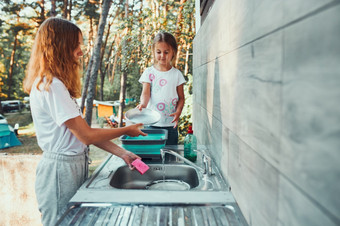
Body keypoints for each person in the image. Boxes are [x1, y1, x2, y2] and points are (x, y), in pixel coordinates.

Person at [23, 17, 146, 225]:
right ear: (60, 47)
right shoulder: (51, 85)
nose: (81, 51)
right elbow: (86, 135)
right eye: (76, 45)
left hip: (68, 167)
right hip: (59, 172)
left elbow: (81, 133)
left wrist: (123, 153)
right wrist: (127, 130)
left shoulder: (55, 84)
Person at [137, 32, 186, 145]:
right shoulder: (149, 72)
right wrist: (143, 105)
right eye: (159, 52)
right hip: (151, 124)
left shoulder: (177, 74)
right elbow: (146, 94)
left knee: (170, 156)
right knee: (153, 155)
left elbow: (181, 98)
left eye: (166, 52)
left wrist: (178, 111)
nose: (162, 56)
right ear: (154, 52)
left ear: (173, 52)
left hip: (170, 125)